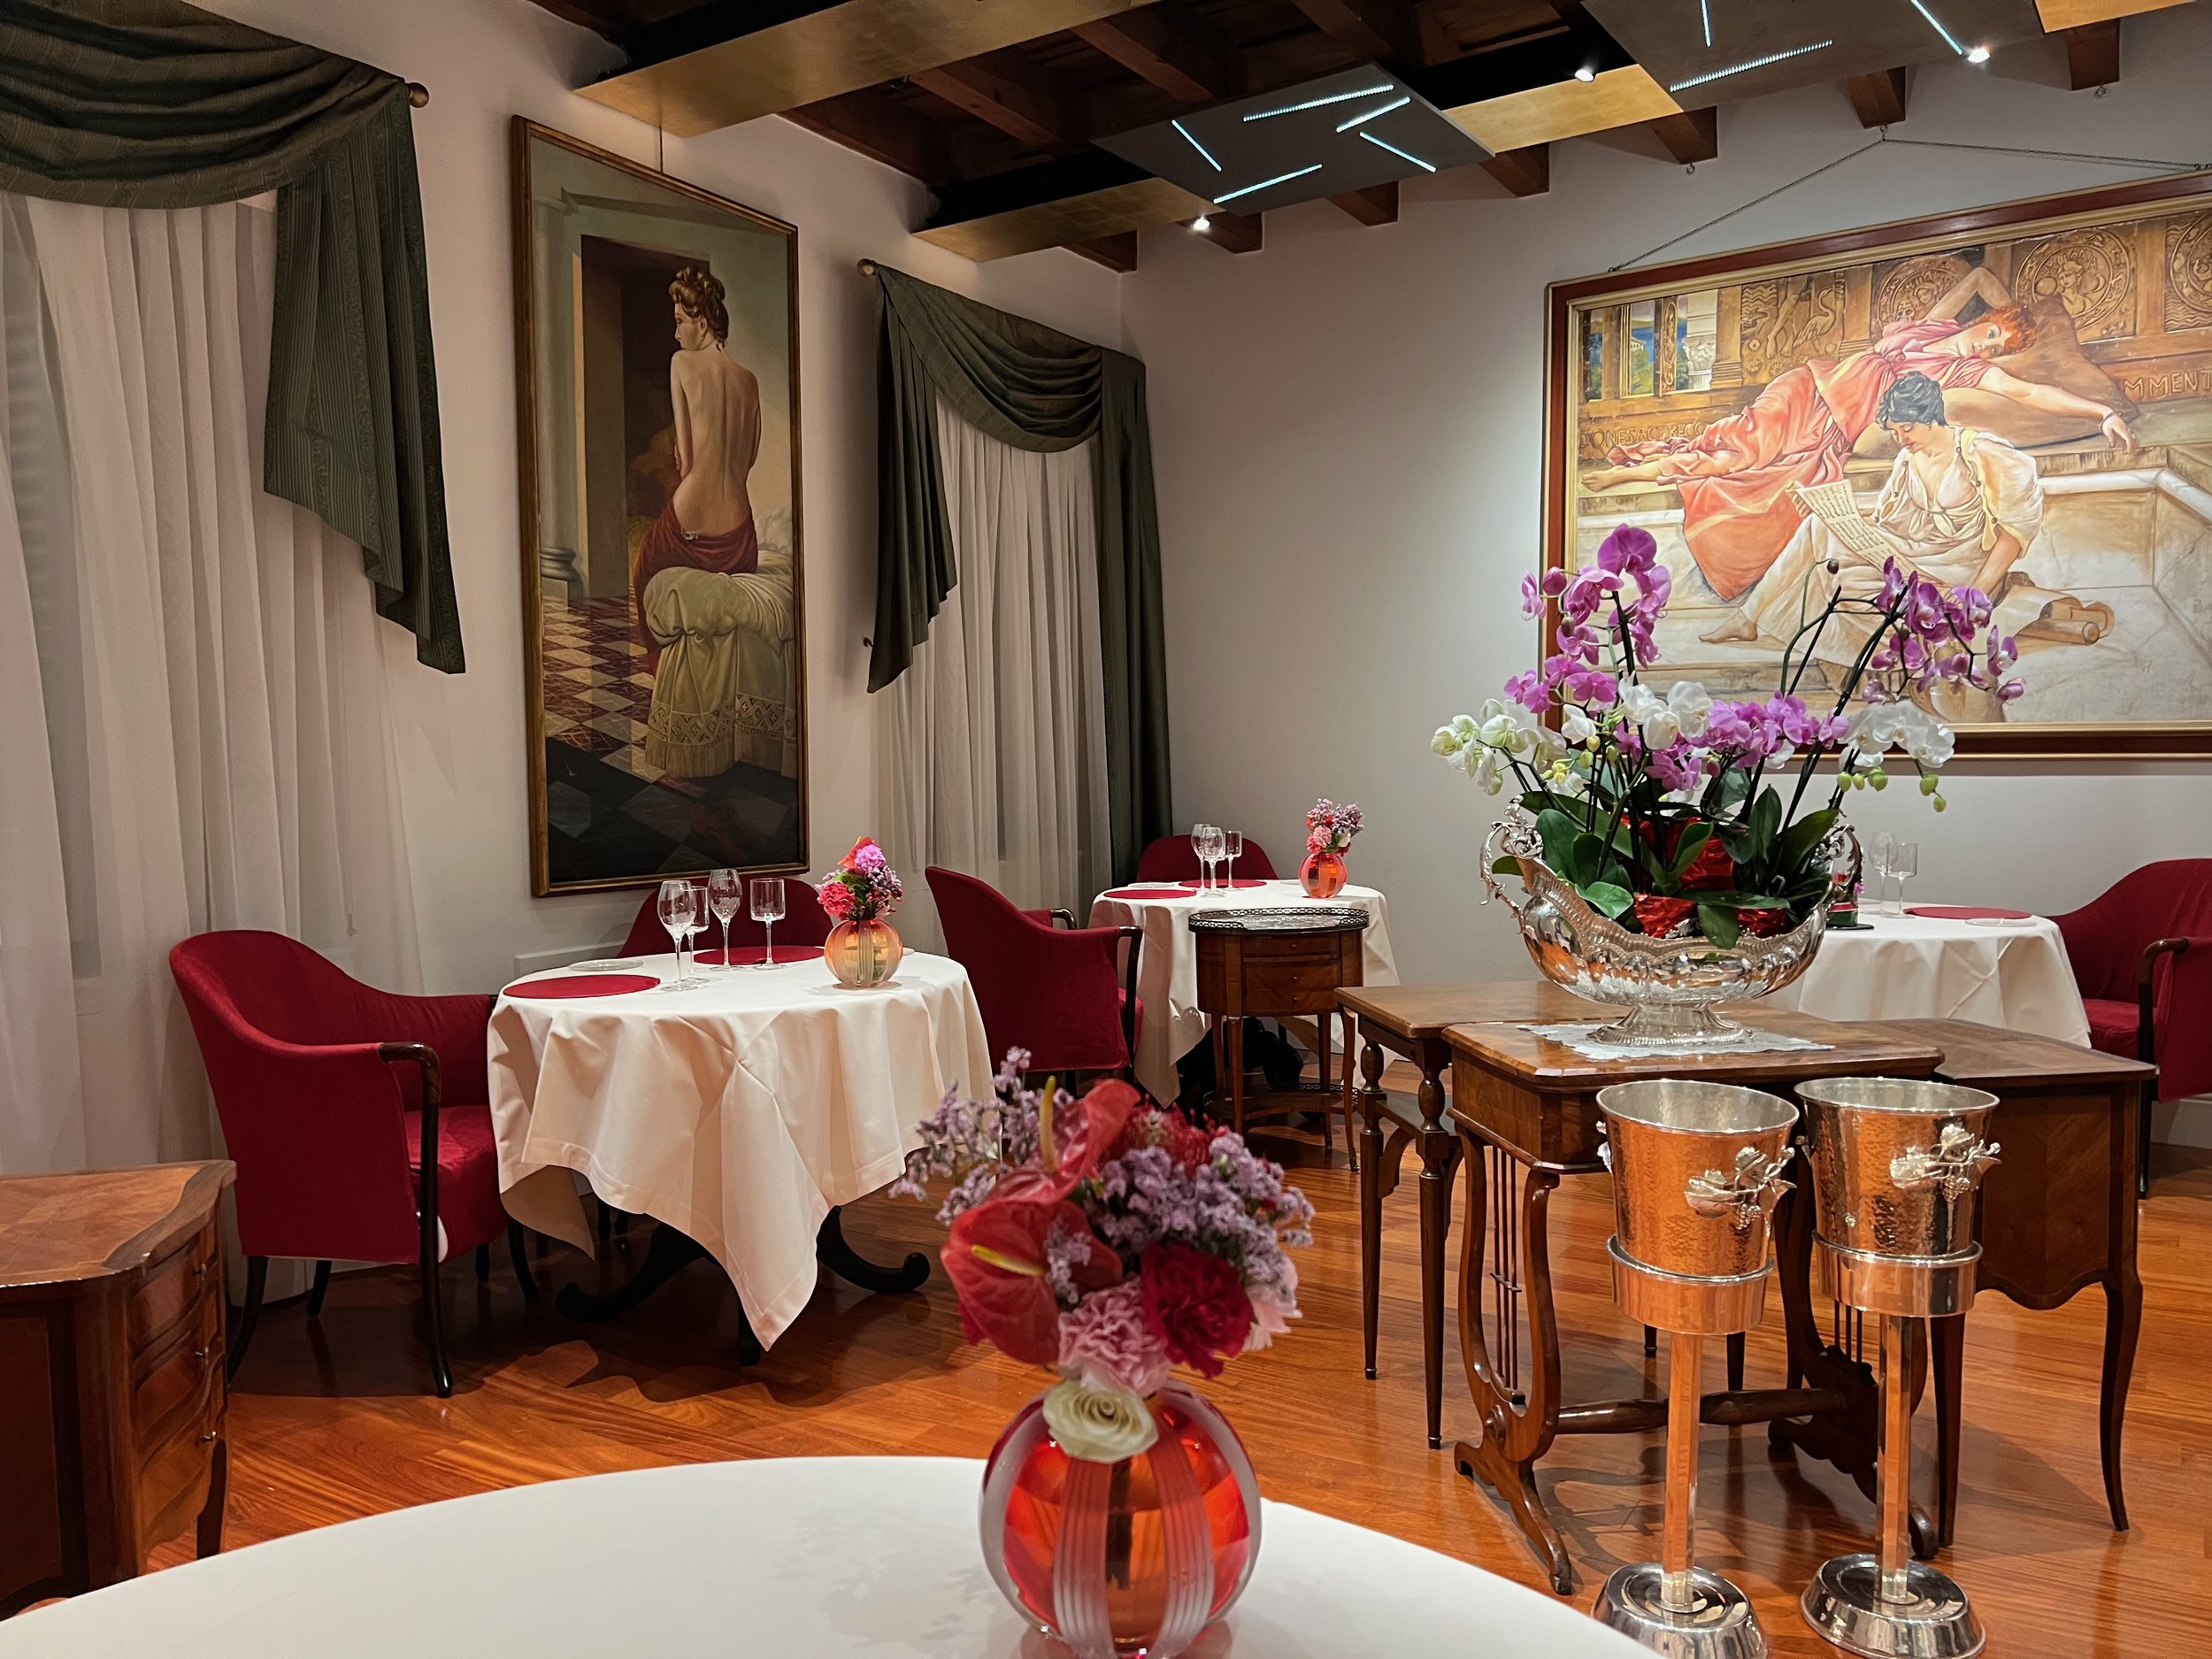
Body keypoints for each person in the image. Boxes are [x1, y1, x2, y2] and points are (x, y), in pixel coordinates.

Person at [1581, 266, 2133, 601]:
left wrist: (2099, 414)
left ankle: (1632, 474)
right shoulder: (1937, 324)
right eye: (1990, 334)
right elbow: (1978, 277)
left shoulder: (1967, 372)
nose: (1985, 347)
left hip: (1832, 431)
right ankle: (1634, 471)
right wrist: (2013, 309)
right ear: (1981, 320)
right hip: (1807, 388)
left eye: (1996, 349)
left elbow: (2031, 394)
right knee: (1742, 441)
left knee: (1742, 467)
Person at [1701, 372, 2040, 664]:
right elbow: (1886, 523)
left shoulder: (1981, 452)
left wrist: (1975, 592)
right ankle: (1748, 617)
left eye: (1907, 428)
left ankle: (1921, 630)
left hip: (1957, 568)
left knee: (1849, 587)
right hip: (1913, 555)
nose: (1901, 439)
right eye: (1894, 432)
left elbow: (2013, 532)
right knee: (1819, 529)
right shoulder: (1908, 458)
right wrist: (1835, 515)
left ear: (1931, 417)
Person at [632, 264, 763, 672]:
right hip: (740, 534)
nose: (675, 334)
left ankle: (668, 678)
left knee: (644, 574)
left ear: (702, 323)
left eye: (679, 322)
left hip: (693, 522)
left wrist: (689, 462)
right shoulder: (748, 381)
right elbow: (750, 457)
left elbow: (686, 460)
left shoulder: (682, 364)